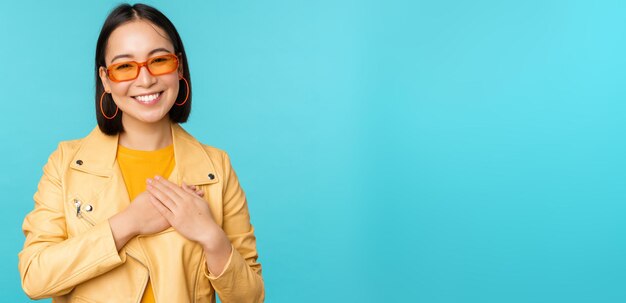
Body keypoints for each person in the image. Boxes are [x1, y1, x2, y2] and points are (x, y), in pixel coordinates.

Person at [18, 3, 264, 302]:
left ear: (179, 67)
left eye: (159, 61)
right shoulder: (66, 163)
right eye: (125, 66)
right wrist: (128, 223)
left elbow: (250, 297)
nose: (145, 79)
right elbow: (35, 278)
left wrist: (212, 237)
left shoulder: (216, 167)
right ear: (106, 79)